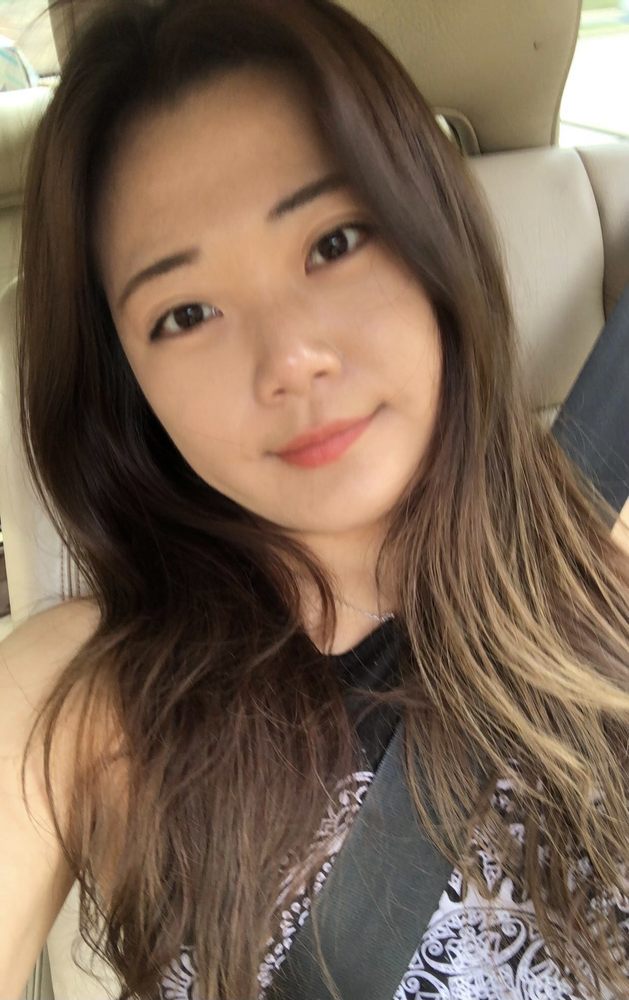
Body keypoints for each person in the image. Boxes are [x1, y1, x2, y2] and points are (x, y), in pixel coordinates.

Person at [1, 0, 628, 998]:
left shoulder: (603, 572)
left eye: (334, 242)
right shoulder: (88, 697)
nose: (290, 358)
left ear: (429, 234)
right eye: (185, 313)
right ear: (127, 386)